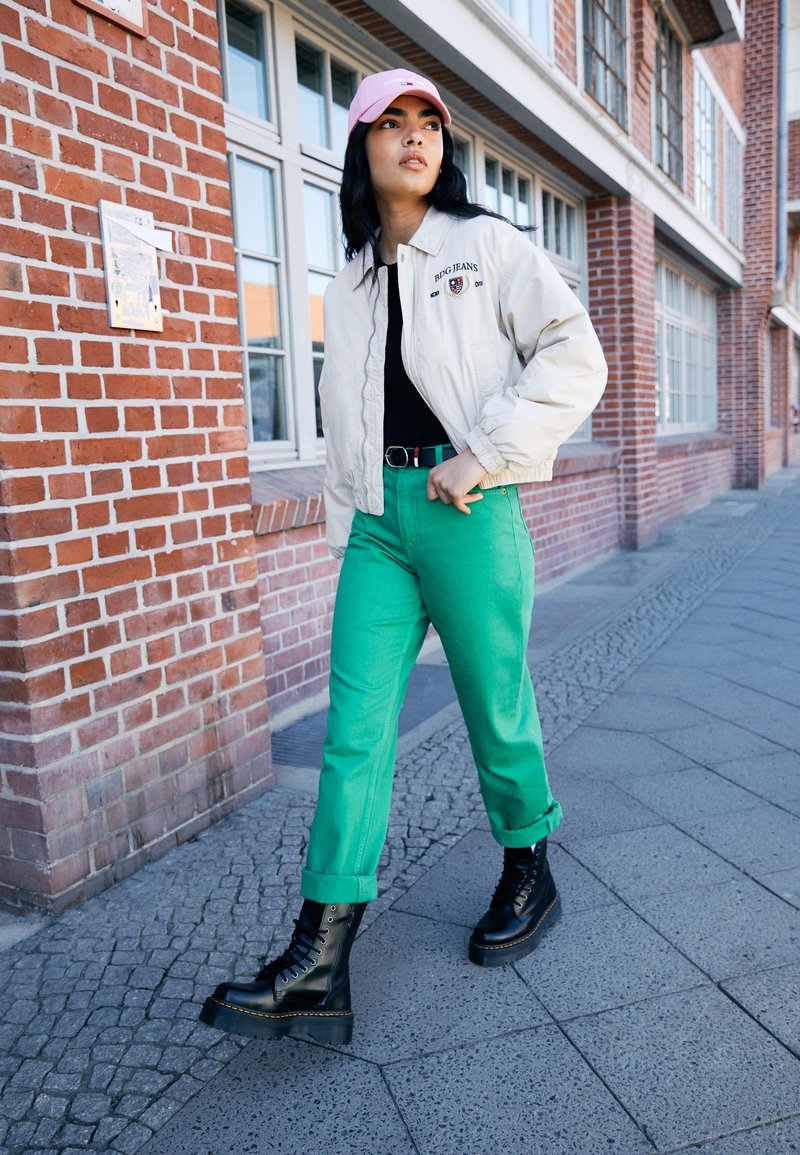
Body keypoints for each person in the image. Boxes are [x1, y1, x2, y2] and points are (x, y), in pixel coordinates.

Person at [200, 68, 607, 1045]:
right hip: (380, 524)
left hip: (466, 507)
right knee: (353, 735)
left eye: (429, 121)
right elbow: (347, 416)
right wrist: (351, 518)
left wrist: (487, 450)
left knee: (494, 713)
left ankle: (529, 868)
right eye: (391, 121)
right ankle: (321, 954)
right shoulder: (344, 276)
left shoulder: (486, 244)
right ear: (359, 146)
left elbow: (573, 351)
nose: (415, 135)